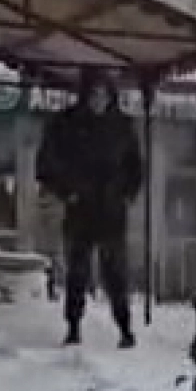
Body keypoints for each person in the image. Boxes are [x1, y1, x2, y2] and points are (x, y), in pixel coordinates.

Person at [36, 69, 143, 348]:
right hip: (80, 208)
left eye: (104, 95)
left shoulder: (121, 126)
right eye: (94, 94)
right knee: (78, 272)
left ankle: (125, 328)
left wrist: (127, 193)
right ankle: (73, 326)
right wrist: (67, 192)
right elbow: (46, 164)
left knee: (115, 272)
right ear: (85, 96)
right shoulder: (67, 124)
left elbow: (135, 165)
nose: (99, 100)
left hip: (111, 209)